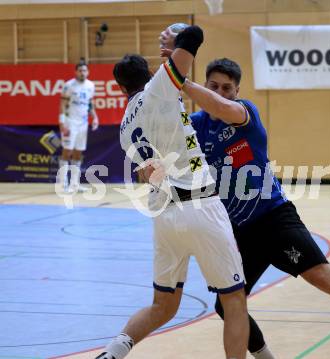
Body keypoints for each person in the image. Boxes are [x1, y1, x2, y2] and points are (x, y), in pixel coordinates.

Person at [154, 33, 330, 356]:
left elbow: (218, 105)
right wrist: (173, 64)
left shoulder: (245, 113)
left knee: (326, 279)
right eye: (213, 86)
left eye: (227, 88)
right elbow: (166, 112)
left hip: (273, 218)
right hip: (237, 232)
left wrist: (181, 79)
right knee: (228, 305)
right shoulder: (197, 126)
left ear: (237, 92)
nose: (219, 92)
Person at [95, 25, 249, 359]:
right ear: (150, 73)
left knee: (163, 305)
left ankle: (111, 353)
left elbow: (149, 174)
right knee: (234, 299)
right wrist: (173, 41)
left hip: (164, 216)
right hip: (199, 205)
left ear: (121, 88)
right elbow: (194, 34)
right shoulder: (159, 86)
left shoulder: (123, 128)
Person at [57, 60, 99, 192]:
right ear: (76, 72)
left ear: (88, 72)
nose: (82, 73)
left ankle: (74, 184)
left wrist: (95, 117)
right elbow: (62, 104)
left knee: (78, 152)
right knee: (67, 151)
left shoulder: (91, 86)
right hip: (70, 123)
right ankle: (62, 183)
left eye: (85, 70)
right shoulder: (68, 85)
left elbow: (90, 103)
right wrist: (62, 122)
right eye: (80, 70)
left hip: (83, 123)